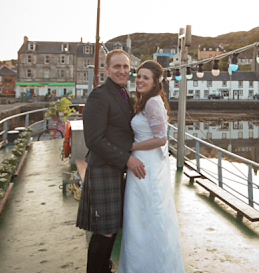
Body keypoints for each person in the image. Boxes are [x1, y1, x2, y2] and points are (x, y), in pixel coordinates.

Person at [76, 49, 146, 273]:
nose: (122, 71)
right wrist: (127, 159)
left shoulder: (125, 93)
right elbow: (93, 140)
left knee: (113, 227)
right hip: (104, 168)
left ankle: (104, 269)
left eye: (126, 67)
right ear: (107, 69)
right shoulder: (99, 95)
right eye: (117, 66)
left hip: (116, 170)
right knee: (104, 230)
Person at [118, 60, 184, 273]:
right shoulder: (145, 101)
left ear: (155, 82)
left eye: (146, 78)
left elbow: (161, 139)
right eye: (138, 76)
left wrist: (129, 147)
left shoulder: (153, 103)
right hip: (142, 163)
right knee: (139, 219)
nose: (140, 80)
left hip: (147, 167)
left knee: (148, 217)